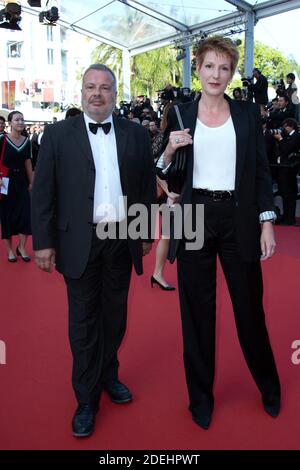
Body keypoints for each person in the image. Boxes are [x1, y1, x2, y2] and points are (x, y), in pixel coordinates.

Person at [157, 36, 280, 430]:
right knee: (196, 315)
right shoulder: (179, 113)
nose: (216, 74)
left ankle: (269, 387)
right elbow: (159, 169)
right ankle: (200, 400)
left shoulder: (246, 113)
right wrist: (170, 152)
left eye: (224, 68)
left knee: (250, 310)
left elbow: (261, 171)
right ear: (198, 68)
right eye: (209, 66)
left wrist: (266, 223)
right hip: (193, 216)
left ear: (231, 73)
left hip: (238, 217)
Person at [31, 64, 155, 438]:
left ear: (115, 94)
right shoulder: (56, 135)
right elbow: (43, 193)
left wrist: (144, 231)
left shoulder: (135, 134)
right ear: (81, 92)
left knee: (115, 318)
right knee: (84, 323)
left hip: (122, 236)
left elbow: (146, 186)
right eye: (90, 87)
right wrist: (43, 242)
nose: (97, 94)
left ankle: (108, 376)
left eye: (104, 88)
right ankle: (86, 400)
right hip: (77, 241)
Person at [0, 111, 33, 262]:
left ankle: (21, 247)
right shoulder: (2, 139)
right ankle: (9, 251)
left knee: (25, 214)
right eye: (17, 119)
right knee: (6, 215)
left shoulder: (27, 141)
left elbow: (28, 163)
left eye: (22, 119)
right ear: (10, 123)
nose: (20, 122)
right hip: (5, 181)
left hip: (21, 181)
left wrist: (32, 182)